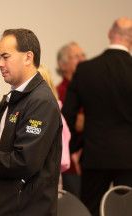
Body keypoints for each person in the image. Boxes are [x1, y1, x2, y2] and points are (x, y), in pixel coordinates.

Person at [0, 28, 62, 215]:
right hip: (2, 203)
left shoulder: (41, 101)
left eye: (5, 57)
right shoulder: (10, 99)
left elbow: (25, 161)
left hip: (26, 208)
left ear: (28, 57)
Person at [62, 17, 132, 216]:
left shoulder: (86, 70)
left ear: (110, 34)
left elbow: (68, 114)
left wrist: (76, 145)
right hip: (129, 157)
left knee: (90, 210)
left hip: (95, 155)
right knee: (127, 210)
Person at [56, 42, 86, 197]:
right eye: (76, 56)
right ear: (63, 64)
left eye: (83, 55)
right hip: (70, 165)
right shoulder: (59, 92)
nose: (82, 59)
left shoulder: (88, 89)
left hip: (87, 161)